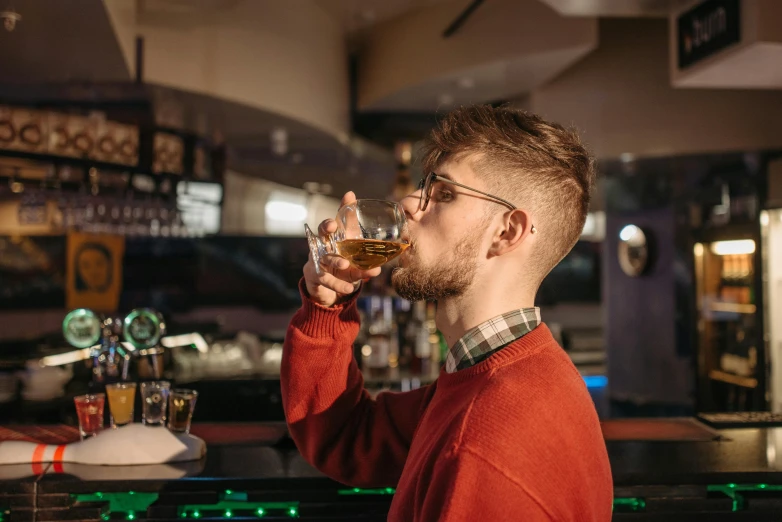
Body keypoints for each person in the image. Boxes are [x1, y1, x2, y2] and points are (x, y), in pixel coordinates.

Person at [281, 105, 613, 521]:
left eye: (445, 194)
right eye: (426, 188)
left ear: (506, 232)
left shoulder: (487, 442)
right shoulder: (500, 374)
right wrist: (327, 305)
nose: (408, 203)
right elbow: (347, 438)